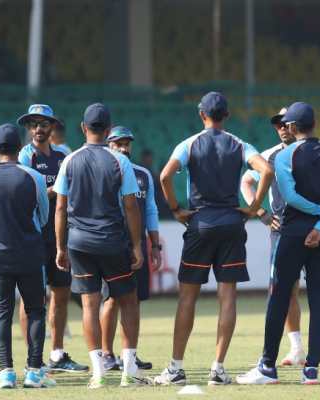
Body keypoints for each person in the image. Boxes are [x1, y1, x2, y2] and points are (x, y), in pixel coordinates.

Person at [154, 92, 272, 386]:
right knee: (227, 296)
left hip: (201, 222)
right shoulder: (240, 144)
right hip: (232, 223)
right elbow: (266, 170)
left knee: (187, 298)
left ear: (201, 114)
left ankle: (176, 368)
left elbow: (165, 176)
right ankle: (218, 369)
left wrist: (175, 209)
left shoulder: (190, 144)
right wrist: (255, 207)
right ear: (227, 116)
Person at [236, 102, 320, 385]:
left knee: (279, 295)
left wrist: (313, 217)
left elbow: (290, 196)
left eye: (287, 124)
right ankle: (311, 369)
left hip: (292, 230)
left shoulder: (284, 156)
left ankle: (267, 368)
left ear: (294, 127)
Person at [54, 103, 147, 388]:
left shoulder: (69, 161)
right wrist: (137, 245)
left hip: (79, 243)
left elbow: (60, 207)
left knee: (89, 304)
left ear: (84, 128)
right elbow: (131, 206)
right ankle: (129, 369)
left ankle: (97, 371)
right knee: (128, 300)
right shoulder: (120, 161)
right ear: (108, 131)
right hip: (111, 241)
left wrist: (60, 247)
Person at [0, 123, 53, 389]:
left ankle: (6, 372)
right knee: (35, 311)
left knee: (2, 314)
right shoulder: (34, 177)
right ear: (20, 147)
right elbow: (43, 216)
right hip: (29, 253)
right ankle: (33, 371)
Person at [17, 104, 86, 373]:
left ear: (52, 127)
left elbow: (72, 194)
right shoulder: (25, 156)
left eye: (43, 124)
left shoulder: (62, 157)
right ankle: (33, 358)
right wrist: (57, 191)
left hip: (60, 235)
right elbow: (25, 195)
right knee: (31, 296)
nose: (38, 129)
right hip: (33, 235)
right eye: (33, 124)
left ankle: (57, 354)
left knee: (61, 293)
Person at [101, 126, 161, 371]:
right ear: (109, 144)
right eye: (118, 143)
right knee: (111, 299)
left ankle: (129, 355)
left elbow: (151, 210)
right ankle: (106, 354)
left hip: (138, 246)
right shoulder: (103, 171)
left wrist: (154, 245)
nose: (124, 147)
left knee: (134, 300)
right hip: (112, 244)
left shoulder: (143, 174)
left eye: (127, 143)